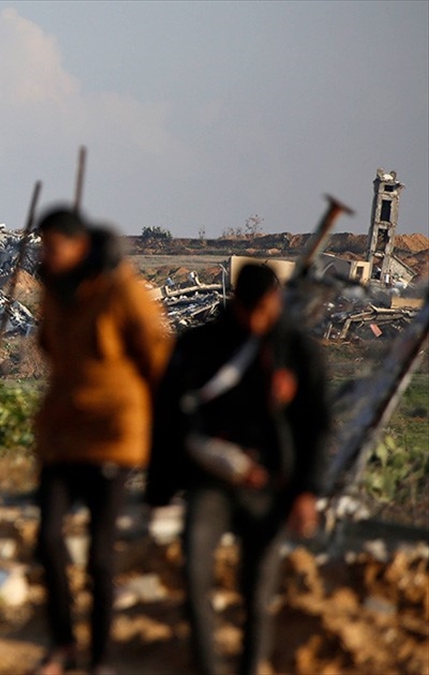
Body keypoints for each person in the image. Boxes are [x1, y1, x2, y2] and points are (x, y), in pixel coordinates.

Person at [148, 263, 329, 675]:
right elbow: (170, 415)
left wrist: (306, 491)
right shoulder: (200, 345)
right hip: (210, 479)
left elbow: (314, 426)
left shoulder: (296, 351)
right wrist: (159, 488)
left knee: (258, 590)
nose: (261, 319)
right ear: (239, 303)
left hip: (269, 484)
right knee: (194, 573)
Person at [31, 208, 172, 675]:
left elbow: (155, 356)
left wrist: (163, 422)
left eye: (54, 247)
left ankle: (103, 658)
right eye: (43, 248)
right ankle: (63, 644)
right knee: (49, 539)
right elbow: (48, 345)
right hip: (63, 432)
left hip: (113, 435)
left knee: (99, 554)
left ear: (80, 247)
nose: (46, 257)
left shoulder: (120, 289)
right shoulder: (53, 291)